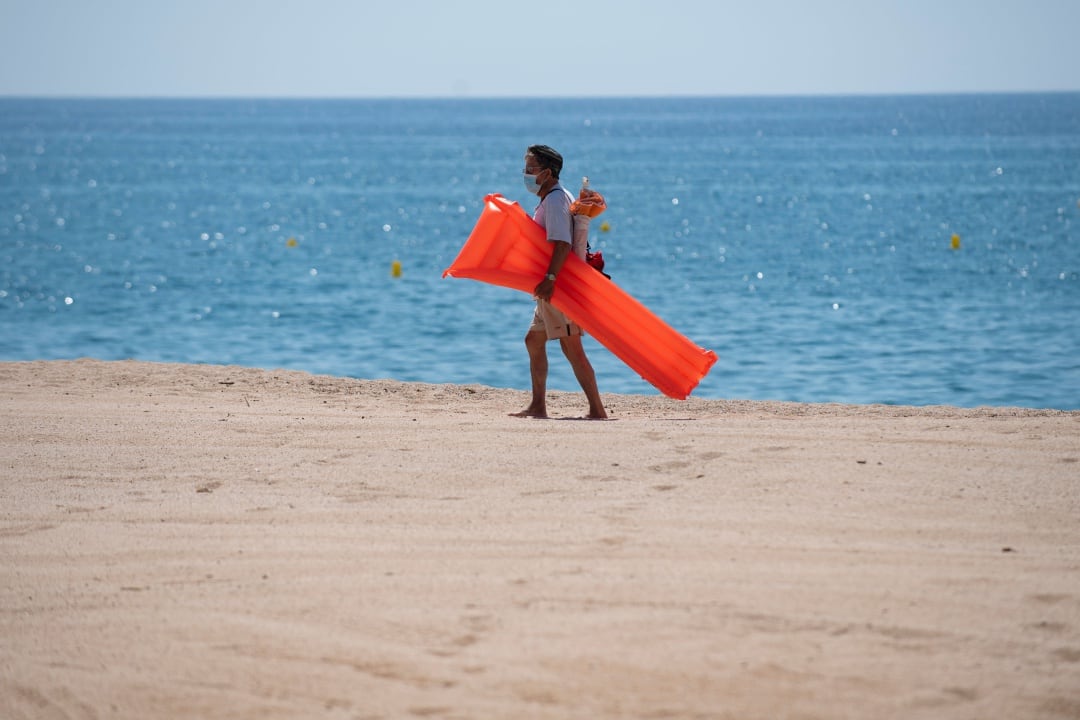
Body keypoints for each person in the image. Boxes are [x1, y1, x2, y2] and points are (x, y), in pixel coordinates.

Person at [510, 145, 608, 420]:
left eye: (531, 170)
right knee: (533, 340)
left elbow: (561, 244)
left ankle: (597, 410)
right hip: (549, 286)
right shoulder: (551, 197)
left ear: (548, 172)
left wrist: (550, 279)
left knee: (571, 347)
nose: (526, 175)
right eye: (525, 169)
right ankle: (538, 406)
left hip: (558, 285)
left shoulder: (554, 200)